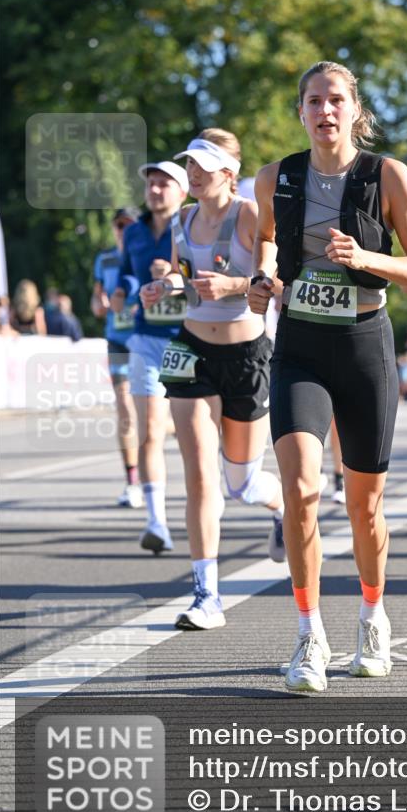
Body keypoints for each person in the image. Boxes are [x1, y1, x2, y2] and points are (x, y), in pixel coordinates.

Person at [248, 60, 407, 692]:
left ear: (355, 109)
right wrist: (262, 280)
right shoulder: (275, 177)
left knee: (365, 505)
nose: (324, 111)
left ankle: (373, 616)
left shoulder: (387, 176)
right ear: (299, 111)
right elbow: (268, 243)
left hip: (364, 346)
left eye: (335, 100)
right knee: (300, 490)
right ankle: (308, 635)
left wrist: (367, 257)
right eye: (312, 101)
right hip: (300, 345)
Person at [139, 129, 285, 628]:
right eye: (191, 164)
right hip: (191, 350)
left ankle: (280, 505)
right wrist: (164, 288)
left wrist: (236, 284)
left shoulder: (251, 215)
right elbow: (183, 278)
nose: (193, 172)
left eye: (203, 164)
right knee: (200, 475)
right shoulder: (182, 219)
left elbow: (273, 282)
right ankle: (207, 595)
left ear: (229, 172)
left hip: (245, 354)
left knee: (241, 484)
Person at [111, 161, 189, 554]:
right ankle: (157, 520)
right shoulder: (136, 231)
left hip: (191, 338)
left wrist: (175, 275)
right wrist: (122, 292)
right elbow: (126, 272)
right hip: (146, 337)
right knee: (150, 431)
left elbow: (219, 276)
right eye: (151, 184)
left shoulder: (193, 224)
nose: (155, 190)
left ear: (183, 191)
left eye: (164, 184)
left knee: (204, 435)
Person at [92, 207, 142, 508]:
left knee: (156, 410)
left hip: (149, 339)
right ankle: (132, 481)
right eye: (118, 226)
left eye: (128, 225)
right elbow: (97, 299)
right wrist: (98, 304)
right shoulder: (105, 259)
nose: (122, 231)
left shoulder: (147, 254)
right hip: (118, 340)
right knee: (124, 405)